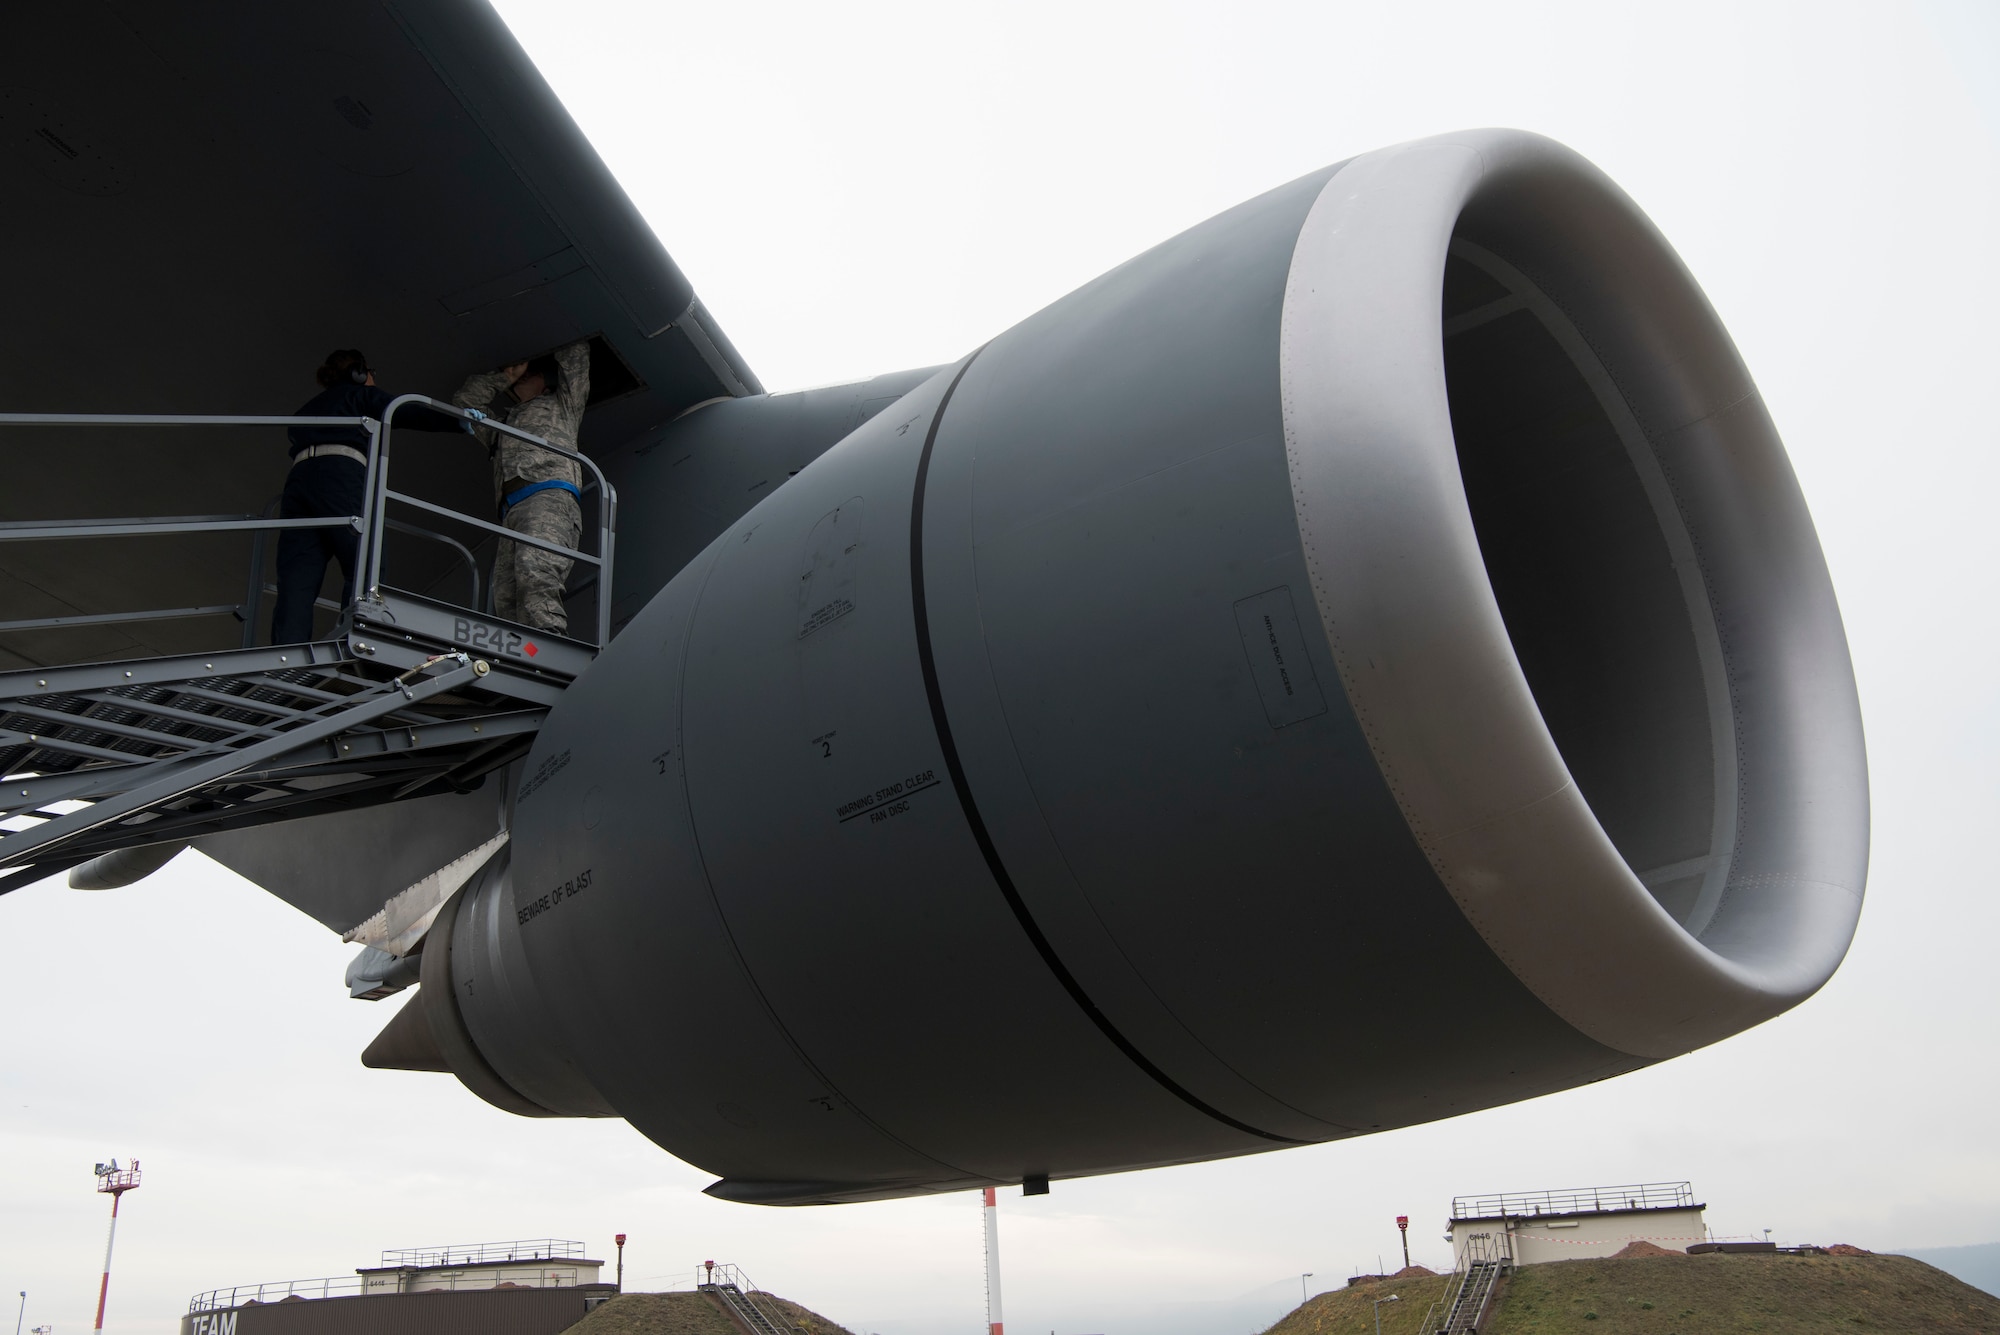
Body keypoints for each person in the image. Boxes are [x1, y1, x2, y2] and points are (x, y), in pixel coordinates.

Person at [272, 350, 467, 645]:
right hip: (340, 474)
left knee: (298, 575)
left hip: (299, 481)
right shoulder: (359, 396)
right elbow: (402, 410)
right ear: (360, 374)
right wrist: (459, 421)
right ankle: (359, 632)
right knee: (365, 557)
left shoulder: (306, 409)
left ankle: (284, 651)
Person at [453, 339, 591, 633]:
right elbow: (464, 403)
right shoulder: (502, 426)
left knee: (536, 570)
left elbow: (575, 354)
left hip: (548, 498)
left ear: (548, 381)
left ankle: (550, 644)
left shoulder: (562, 405)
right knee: (505, 595)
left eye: (533, 373)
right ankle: (526, 654)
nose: (525, 377)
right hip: (512, 511)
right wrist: (505, 377)